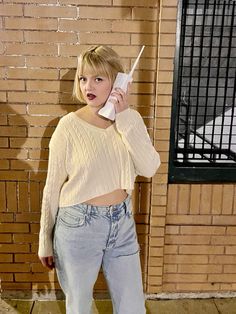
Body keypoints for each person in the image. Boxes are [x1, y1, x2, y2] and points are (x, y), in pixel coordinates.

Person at [38, 45, 161, 314]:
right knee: (80, 306)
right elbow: (52, 186)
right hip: (78, 225)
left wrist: (125, 116)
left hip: (123, 223)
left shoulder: (131, 120)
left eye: (98, 78)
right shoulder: (68, 126)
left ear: (117, 81)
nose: (87, 86)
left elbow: (150, 168)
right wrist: (44, 240)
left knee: (132, 307)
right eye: (83, 78)